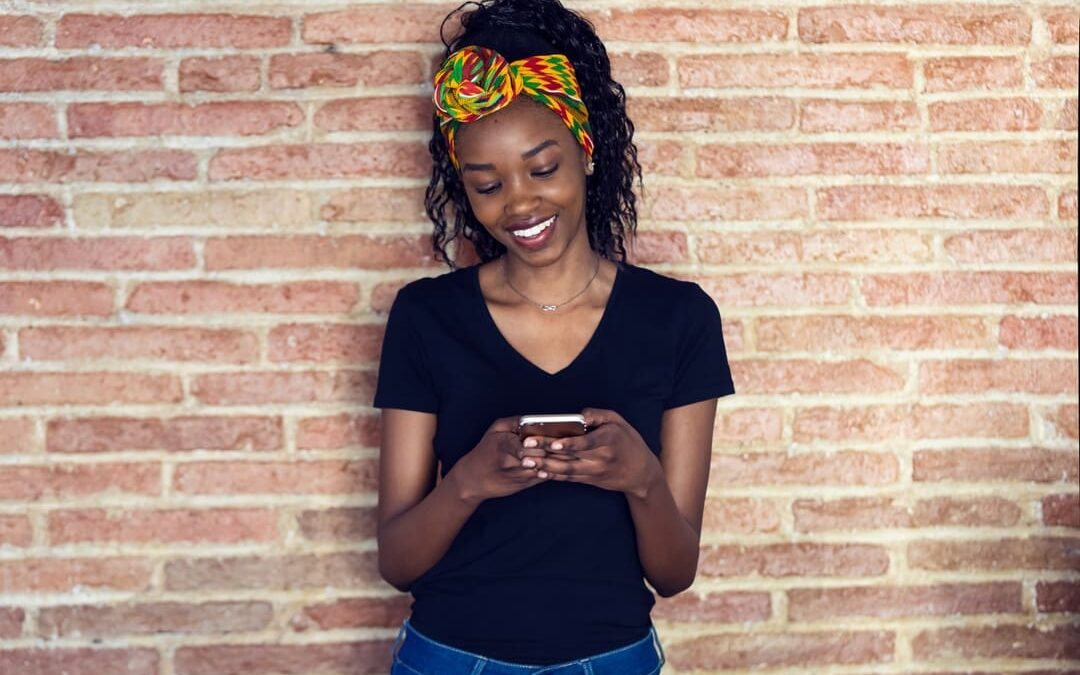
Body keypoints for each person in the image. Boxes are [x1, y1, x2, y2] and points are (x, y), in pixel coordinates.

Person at [373, 1, 735, 672]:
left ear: (586, 151)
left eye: (542, 169)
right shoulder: (427, 317)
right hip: (451, 657)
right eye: (486, 184)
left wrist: (643, 479)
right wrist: (469, 483)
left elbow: (675, 570)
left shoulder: (679, 318)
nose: (518, 204)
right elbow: (397, 561)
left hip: (612, 657)